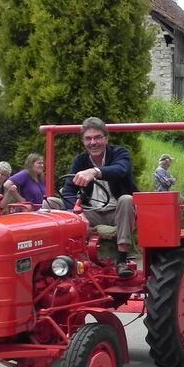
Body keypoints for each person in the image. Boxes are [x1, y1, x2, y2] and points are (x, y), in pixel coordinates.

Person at [56, 117, 138, 278]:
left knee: (127, 199)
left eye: (97, 137)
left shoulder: (120, 154)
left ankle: (122, 260)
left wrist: (95, 172)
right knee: (53, 203)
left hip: (118, 212)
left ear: (106, 138)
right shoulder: (80, 161)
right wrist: (80, 214)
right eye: (88, 138)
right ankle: (62, 262)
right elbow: (68, 191)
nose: (93, 142)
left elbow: (121, 170)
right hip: (92, 212)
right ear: (83, 141)